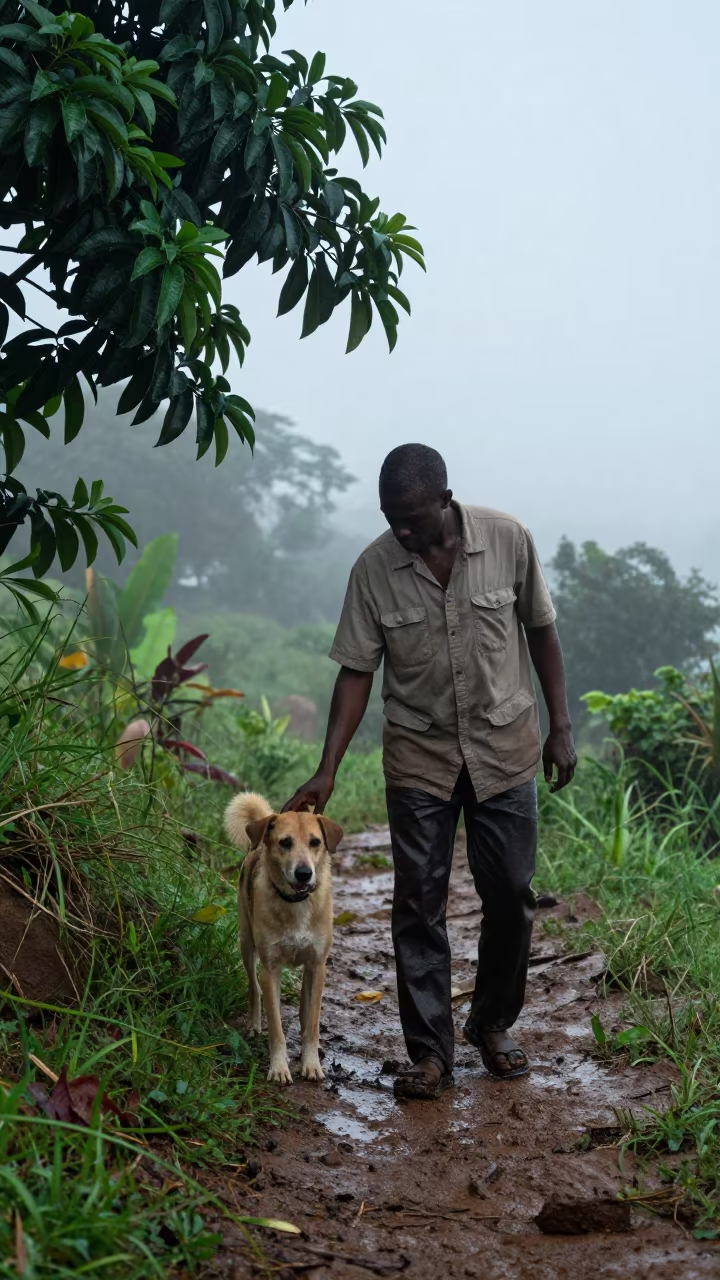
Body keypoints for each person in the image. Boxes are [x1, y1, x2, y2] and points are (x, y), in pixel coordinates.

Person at [283, 444, 576, 1100]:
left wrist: (560, 726)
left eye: (413, 518)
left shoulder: (508, 541)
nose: (402, 532)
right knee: (419, 904)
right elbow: (357, 670)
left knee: (511, 897)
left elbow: (542, 632)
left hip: (505, 751)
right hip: (419, 757)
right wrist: (327, 767)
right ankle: (430, 1053)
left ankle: (492, 1025)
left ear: (445, 499)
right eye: (392, 519)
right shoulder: (374, 569)